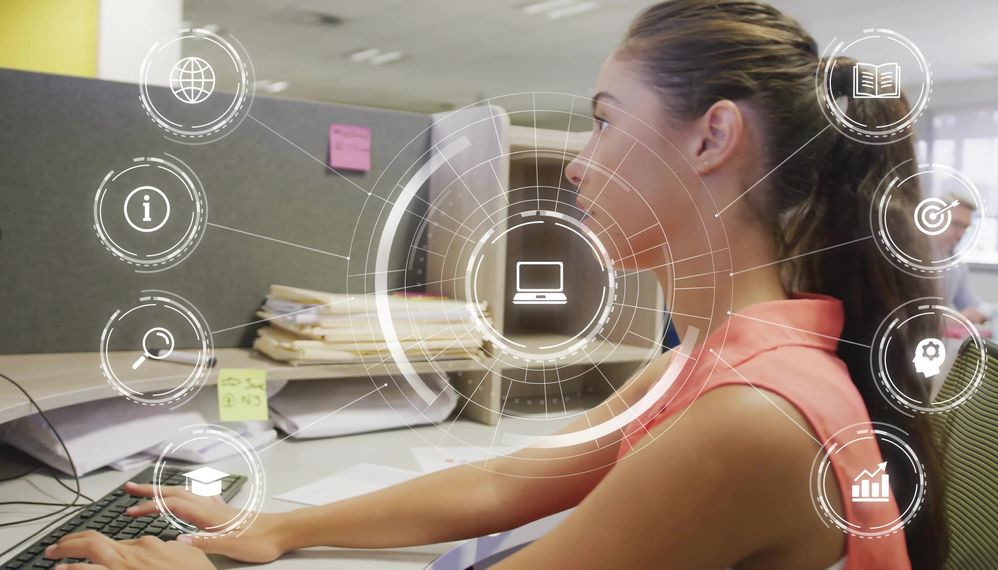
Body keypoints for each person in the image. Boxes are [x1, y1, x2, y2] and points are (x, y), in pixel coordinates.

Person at [46, 1, 944, 568]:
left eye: (604, 122)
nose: (581, 167)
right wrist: (274, 527)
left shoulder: (753, 419)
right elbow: (504, 484)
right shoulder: (713, 363)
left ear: (711, 139)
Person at [938, 192, 988, 324]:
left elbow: (972, 305)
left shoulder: (956, 265)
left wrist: (990, 312)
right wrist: (957, 318)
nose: (961, 234)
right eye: (955, 224)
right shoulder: (910, 261)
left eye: (965, 227)